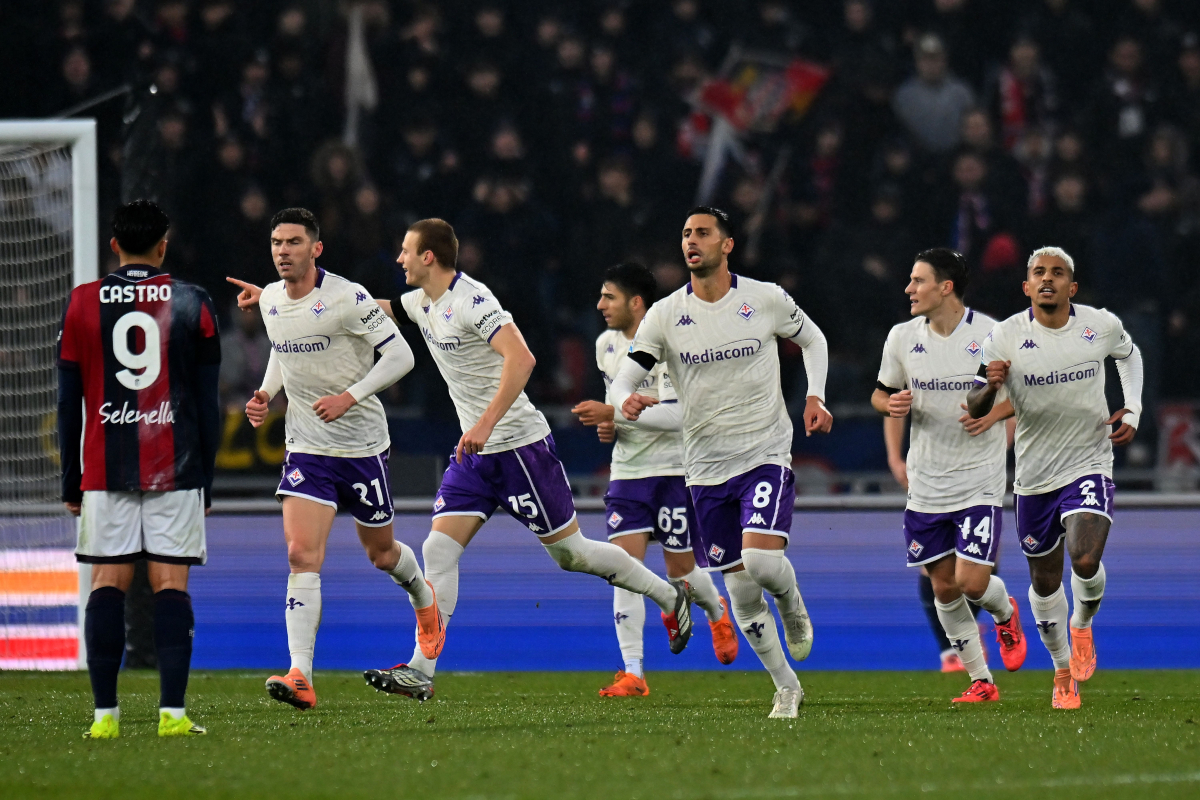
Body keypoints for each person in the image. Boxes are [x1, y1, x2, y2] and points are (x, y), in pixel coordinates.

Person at [227, 218, 695, 700]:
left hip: (517, 447)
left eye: (406, 251)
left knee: (571, 555)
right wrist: (283, 298)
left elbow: (523, 358)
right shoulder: (420, 301)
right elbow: (365, 309)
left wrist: (488, 422)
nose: (400, 259)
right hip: (473, 454)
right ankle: (421, 671)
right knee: (437, 550)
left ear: (428, 256)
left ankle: (666, 594)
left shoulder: (473, 300)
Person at [611, 207, 833, 719]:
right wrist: (625, 398)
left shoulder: (764, 299)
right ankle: (787, 686)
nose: (691, 241)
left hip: (764, 452)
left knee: (760, 565)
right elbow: (628, 374)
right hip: (705, 469)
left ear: (727, 244)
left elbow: (813, 339)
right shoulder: (666, 315)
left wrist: (814, 396)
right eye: (686, 234)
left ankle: (793, 602)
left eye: (703, 233)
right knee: (741, 592)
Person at [227, 207, 440, 711]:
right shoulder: (271, 299)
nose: (283, 251)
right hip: (306, 445)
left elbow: (402, 357)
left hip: (362, 446)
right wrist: (264, 392)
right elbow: (283, 347)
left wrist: (351, 395)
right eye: (277, 242)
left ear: (316, 249)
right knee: (302, 554)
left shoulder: (348, 297)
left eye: (294, 242)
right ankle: (300, 673)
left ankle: (424, 601)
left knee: (382, 554)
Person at [58, 200, 221, 738]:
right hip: (176, 467)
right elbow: (206, 403)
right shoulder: (193, 302)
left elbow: (68, 402)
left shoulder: (82, 303)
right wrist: (208, 479)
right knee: (171, 584)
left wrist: (71, 480)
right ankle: (172, 715)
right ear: (163, 246)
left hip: (105, 468)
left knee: (106, 582)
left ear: (113, 245)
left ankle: (105, 717)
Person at [967, 246, 1143, 709]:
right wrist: (990, 384)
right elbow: (974, 406)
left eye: (1058, 273)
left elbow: (1130, 355)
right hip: (1034, 476)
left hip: (1088, 461)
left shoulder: (1098, 325)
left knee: (1084, 560)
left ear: (1072, 287)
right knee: (1045, 583)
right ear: (1026, 286)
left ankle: (1082, 622)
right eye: (1039, 273)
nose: (1048, 279)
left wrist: (1135, 409)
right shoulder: (1003, 337)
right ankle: (1062, 671)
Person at [571, 262, 739, 697]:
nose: (601, 305)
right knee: (623, 569)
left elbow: (681, 416)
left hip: (675, 470)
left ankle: (716, 609)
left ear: (636, 302)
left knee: (680, 570)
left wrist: (613, 416)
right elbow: (622, 407)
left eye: (609, 297)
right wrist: (611, 427)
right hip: (628, 473)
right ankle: (634, 673)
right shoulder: (605, 345)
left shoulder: (672, 345)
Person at [871, 248, 1027, 702]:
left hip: (978, 477)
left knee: (971, 582)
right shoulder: (901, 337)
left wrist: (995, 416)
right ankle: (982, 681)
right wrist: (890, 404)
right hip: (926, 482)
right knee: (942, 585)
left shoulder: (994, 334)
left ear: (946, 287)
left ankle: (1004, 612)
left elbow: (1026, 396)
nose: (909, 289)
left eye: (918, 281)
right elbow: (882, 394)